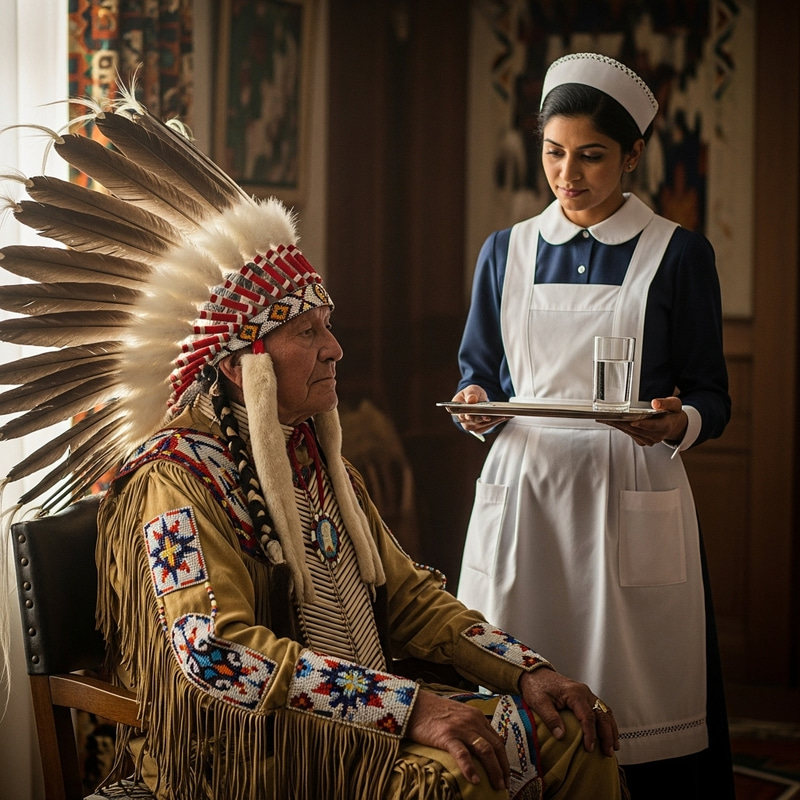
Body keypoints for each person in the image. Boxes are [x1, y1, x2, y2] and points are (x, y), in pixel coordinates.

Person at [0, 86, 624, 799]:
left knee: (574, 731)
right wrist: (407, 707)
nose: (335, 350)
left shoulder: (309, 459)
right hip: (248, 754)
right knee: (460, 778)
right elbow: (214, 653)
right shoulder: (172, 483)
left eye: (327, 326)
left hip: (352, 722)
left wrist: (526, 671)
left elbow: (406, 597)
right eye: (308, 333)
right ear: (241, 365)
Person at [452, 52, 734, 798]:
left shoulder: (678, 255)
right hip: (526, 496)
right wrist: (476, 406)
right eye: (553, 152)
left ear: (634, 154)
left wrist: (675, 426)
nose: (568, 174)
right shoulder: (503, 253)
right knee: (517, 685)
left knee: (638, 695)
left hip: (627, 491)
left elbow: (713, 397)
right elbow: (477, 373)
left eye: (591, 156)